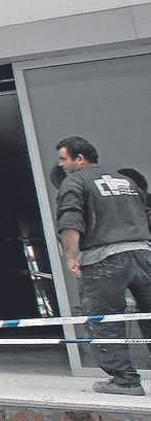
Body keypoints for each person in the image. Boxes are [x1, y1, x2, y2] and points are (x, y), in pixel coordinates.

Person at [54, 136, 151, 395]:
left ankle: (125, 381)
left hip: (104, 259)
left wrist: (71, 256)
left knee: (104, 319)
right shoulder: (125, 181)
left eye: (63, 159)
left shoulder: (75, 181)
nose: (61, 165)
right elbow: (145, 215)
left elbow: (70, 220)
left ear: (79, 159)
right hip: (143, 254)